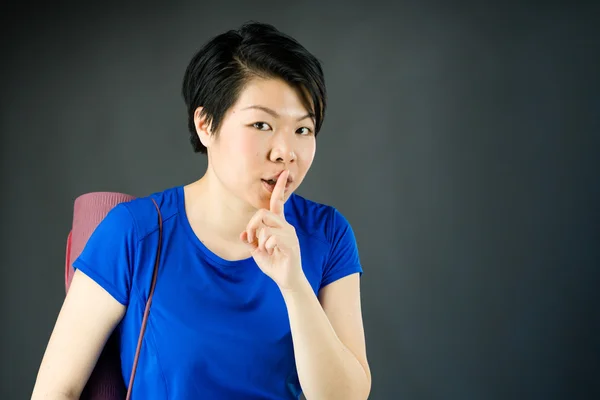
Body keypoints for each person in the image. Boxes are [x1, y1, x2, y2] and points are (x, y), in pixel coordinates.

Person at [31, 21, 371, 400]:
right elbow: (55, 390)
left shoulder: (327, 235)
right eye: (261, 124)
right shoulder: (134, 233)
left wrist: (294, 286)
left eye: (303, 130)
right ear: (206, 124)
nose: (285, 152)